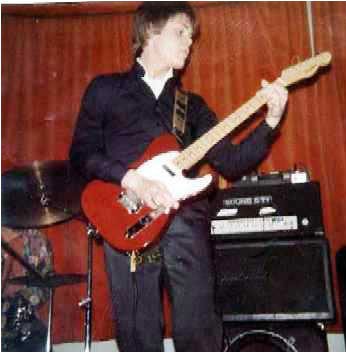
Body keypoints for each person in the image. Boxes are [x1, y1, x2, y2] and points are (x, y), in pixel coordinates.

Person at [69, 2, 288, 351]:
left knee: (200, 332)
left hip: (185, 223)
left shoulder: (193, 106)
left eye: (191, 35)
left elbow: (230, 162)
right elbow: (81, 154)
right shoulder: (105, 90)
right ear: (149, 33)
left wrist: (271, 121)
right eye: (180, 32)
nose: (189, 42)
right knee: (139, 336)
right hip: (125, 219)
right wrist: (133, 180)